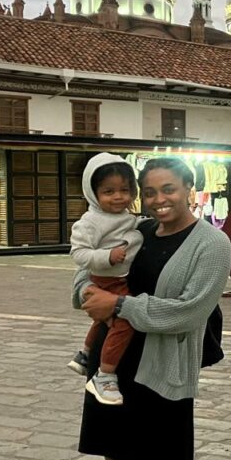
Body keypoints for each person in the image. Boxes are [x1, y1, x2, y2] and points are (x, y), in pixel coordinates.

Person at [74, 157, 231, 460]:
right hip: (112, 368)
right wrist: (87, 294)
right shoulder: (136, 232)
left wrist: (118, 304)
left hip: (162, 370)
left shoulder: (211, 244)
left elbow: (188, 312)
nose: (161, 200)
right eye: (152, 191)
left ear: (189, 188)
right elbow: (88, 274)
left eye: (170, 189)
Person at [69, 154, 144, 406]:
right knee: (124, 322)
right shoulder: (90, 222)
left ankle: (85, 354)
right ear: (93, 193)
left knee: (104, 320)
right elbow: (78, 254)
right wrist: (107, 256)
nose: (118, 196)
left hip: (117, 277)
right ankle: (105, 374)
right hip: (108, 280)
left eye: (125, 190)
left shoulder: (125, 216)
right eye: (108, 191)